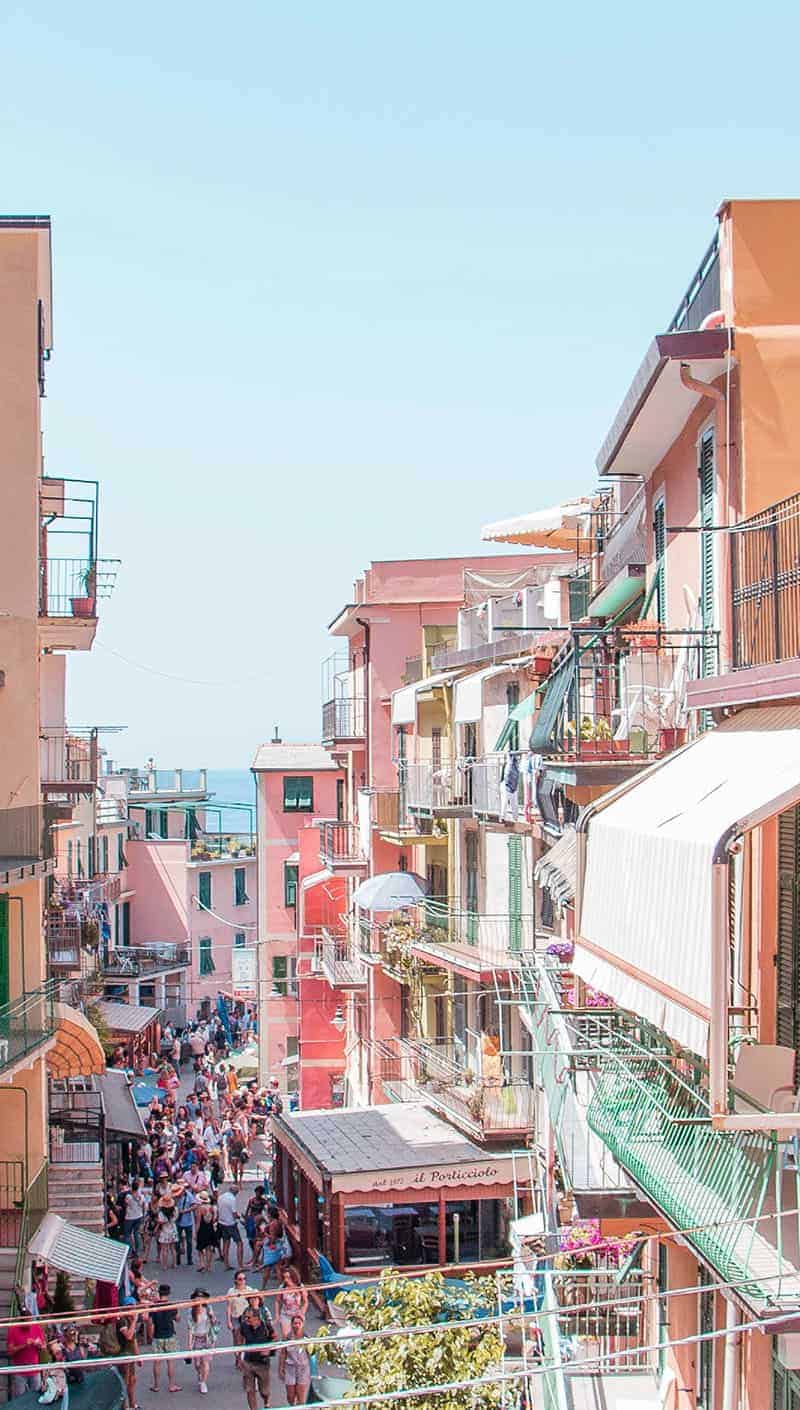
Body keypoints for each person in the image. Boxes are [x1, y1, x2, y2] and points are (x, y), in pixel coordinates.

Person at [238, 1302, 274, 1410]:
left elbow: (275, 1340)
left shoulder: (266, 1327)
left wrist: (269, 1352)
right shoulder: (244, 1326)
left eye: (249, 1317)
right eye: (245, 1317)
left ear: (257, 1318)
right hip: (248, 1362)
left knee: (264, 1391)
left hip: (262, 1363)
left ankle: (266, 1401)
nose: (247, 1319)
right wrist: (239, 1357)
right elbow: (240, 1340)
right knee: (249, 1390)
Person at [6, 1305, 45, 1397]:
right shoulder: (13, 1330)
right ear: (22, 1321)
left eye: (30, 1321)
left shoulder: (36, 1327)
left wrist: (39, 1345)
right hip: (20, 1371)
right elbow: (10, 1351)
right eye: (27, 1322)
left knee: (37, 1397)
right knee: (20, 1399)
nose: (29, 1324)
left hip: (34, 1369)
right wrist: (24, 1345)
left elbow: (44, 1346)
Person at [187, 1289, 218, 1397]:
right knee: (197, 1363)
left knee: (205, 1362)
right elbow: (190, 1329)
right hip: (197, 1338)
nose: (199, 1299)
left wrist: (212, 1316)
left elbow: (214, 1322)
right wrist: (189, 1344)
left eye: (201, 1297)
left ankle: (203, 1382)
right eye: (197, 1297)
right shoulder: (191, 1311)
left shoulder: (208, 1308)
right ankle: (200, 1375)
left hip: (207, 1338)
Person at [150, 1284, 181, 1393]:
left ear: (159, 1292)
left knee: (157, 1362)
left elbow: (151, 1324)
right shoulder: (171, 1306)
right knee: (170, 1362)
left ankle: (156, 1385)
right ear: (168, 1293)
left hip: (157, 1336)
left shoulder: (153, 1307)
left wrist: (151, 1336)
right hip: (169, 1335)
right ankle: (171, 1385)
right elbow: (178, 1319)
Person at [226, 1269, 258, 1370]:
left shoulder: (249, 1290)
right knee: (237, 1340)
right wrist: (229, 1321)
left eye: (244, 1279)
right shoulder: (231, 1291)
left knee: (245, 1340)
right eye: (240, 1279)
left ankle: (242, 1359)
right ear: (236, 1280)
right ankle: (238, 1358)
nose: (242, 1281)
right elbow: (228, 1307)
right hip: (236, 1317)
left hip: (246, 1319)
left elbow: (256, 1302)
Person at [279, 1314, 312, 1405]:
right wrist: (281, 1368)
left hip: (303, 1368)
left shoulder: (306, 1338)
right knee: (290, 1396)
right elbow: (283, 1353)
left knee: (301, 1396)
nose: (296, 1325)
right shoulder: (287, 1338)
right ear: (291, 1324)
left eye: (299, 1323)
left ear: (302, 1324)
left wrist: (312, 1370)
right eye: (295, 1323)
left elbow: (311, 1354)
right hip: (290, 1368)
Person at [117, 1311, 141, 1410]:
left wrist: (138, 1356)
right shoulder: (121, 1321)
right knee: (124, 1382)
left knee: (132, 1381)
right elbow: (129, 1336)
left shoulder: (130, 1320)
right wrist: (135, 1320)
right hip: (122, 1354)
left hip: (130, 1355)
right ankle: (124, 1406)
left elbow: (134, 1340)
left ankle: (132, 1404)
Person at [217, 1184, 244, 1270]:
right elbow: (234, 1213)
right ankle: (240, 1265)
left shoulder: (221, 1197)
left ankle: (226, 1264)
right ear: (235, 1192)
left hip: (222, 1222)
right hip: (230, 1223)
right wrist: (240, 1218)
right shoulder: (232, 1199)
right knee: (239, 1243)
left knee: (226, 1242)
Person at [276, 1265, 308, 1338]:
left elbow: (305, 1302)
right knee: (286, 1336)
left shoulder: (300, 1287)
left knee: (297, 1335)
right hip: (285, 1315)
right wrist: (277, 1315)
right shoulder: (282, 1287)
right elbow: (277, 1301)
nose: (286, 1280)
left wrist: (302, 1313)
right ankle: (285, 1349)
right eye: (284, 1277)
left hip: (297, 1315)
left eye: (288, 1277)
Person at [175, 1184, 198, 1267]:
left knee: (189, 1241)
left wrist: (185, 1211)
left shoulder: (189, 1195)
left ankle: (189, 1259)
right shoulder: (175, 1195)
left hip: (188, 1222)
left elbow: (195, 1205)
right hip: (178, 1221)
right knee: (177, 1241)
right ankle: (177, 1259)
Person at [123, 1179, 146, 1253]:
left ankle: (128, 1251)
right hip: (138, 1216)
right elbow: (143, 1206)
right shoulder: (141, 1197)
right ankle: (137, 1251)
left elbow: (125, 1204)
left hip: (129, 1217)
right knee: (136, 1233)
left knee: (127, 1235)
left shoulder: (128, 1196)